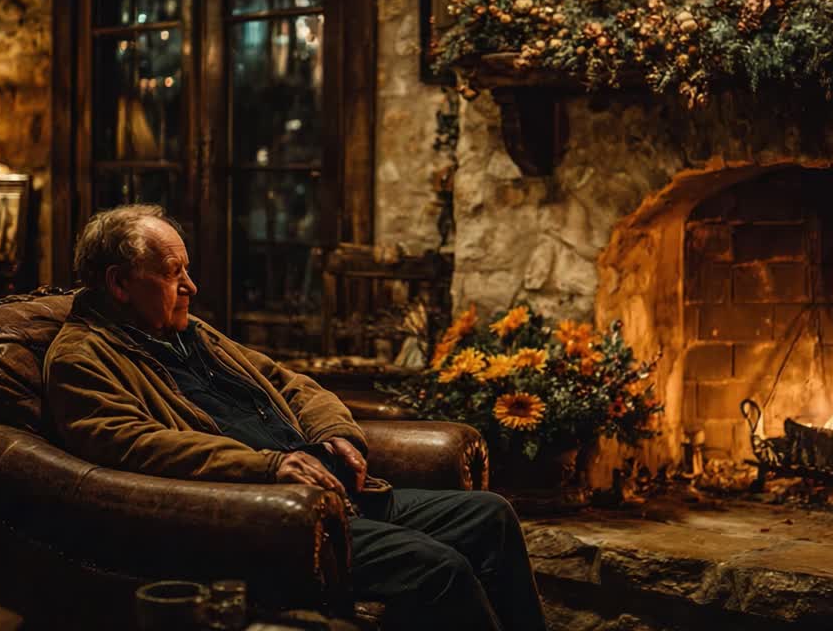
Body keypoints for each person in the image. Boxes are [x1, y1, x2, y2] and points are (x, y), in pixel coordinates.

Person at [43, 204, 547, 631]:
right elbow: (131, 445)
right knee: (439, 566)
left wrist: (334, 432)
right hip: (275, 516)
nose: (191, 287)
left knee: (490, 515)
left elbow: (291, 381)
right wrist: (266, 467)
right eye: (174, 275)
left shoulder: (189, 332)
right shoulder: (82, 357)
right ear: (119, 283)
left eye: (187, 271)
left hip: (336, 491)